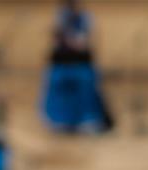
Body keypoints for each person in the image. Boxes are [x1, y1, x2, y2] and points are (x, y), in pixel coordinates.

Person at [40, 0, 114, 133]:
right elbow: (56, 38)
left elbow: (84, 41)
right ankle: (60, 120)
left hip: (80, 60)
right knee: (60, 91)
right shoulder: (61, 15)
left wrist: (71, 40)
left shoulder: (85, 17)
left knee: (84, 91)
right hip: (62, 59)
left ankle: (86, 120)